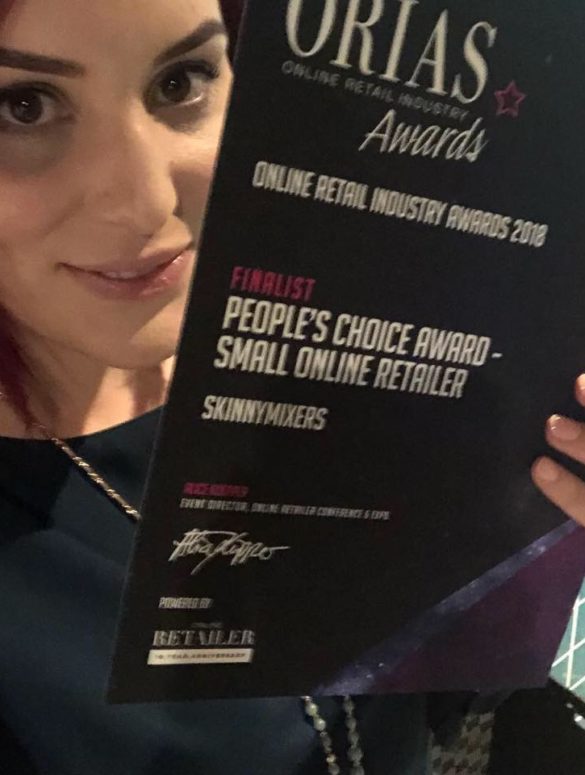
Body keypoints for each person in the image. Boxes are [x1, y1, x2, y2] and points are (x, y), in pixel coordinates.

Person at [0, 1, 581, 773]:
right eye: (23, 106)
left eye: (180, 81)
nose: (146, 202)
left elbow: (451, 683)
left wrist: (540, 528)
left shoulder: (348, 336)